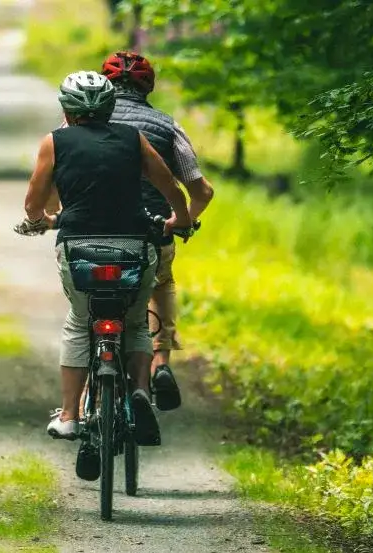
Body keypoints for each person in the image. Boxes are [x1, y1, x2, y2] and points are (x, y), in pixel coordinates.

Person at [14, 70, 193, 446]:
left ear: (67, 107)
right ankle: (141, 390)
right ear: (110, 107)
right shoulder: (134, 139)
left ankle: (69, 415)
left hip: (79, 249)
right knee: (135, 323)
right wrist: (181, 218)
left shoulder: (55, 142)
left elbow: (33, 202)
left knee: (81, 323)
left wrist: (40, 221)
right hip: (134, 246)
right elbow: (171, 187)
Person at [100, 51, 214, 411]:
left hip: (93, 234)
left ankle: (89, 387)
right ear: (148, 86)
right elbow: (202, 191)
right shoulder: (166, 125)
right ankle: (161, 362)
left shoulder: (81, 123)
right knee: (159, 284)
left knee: (88, 301)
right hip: (150, 234)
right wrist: (183, 222)